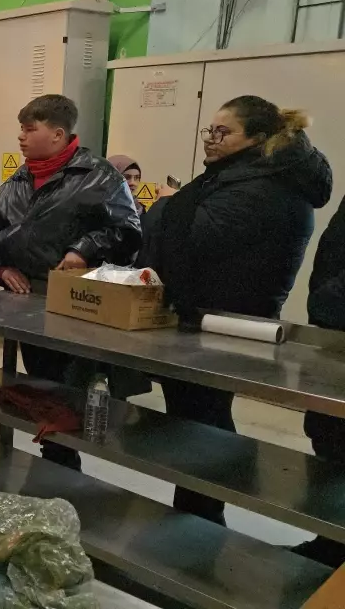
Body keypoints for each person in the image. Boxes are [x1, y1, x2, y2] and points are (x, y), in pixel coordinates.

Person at [139, 95, 331, 525]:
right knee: (194, 414)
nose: (211, 138)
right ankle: (195, 506)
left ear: (258, 138)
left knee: (203, 417)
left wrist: (168, 203)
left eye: (223, 132)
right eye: (211, 130)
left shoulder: (263, 189)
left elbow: (190, 238)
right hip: (210, 316)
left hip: (230, 321)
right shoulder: (247, 177)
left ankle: (204, 512)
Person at [0, 94, 141, 471]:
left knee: (72, 392)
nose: (21, 138)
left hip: (79, 304)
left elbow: (128, 231)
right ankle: (53, 456)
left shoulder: (99, 177)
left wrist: (83, 250)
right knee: (40, 387)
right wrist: (0, 269)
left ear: (57, 134)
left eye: (29, 129)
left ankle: (65, 465)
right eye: (21, 129)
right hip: (27, 304)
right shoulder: (15, 183)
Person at [293, 196, 345, 568]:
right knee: (329, 443)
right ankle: (329, 545)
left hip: (336, 328)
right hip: (332, 345)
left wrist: (326, 301)